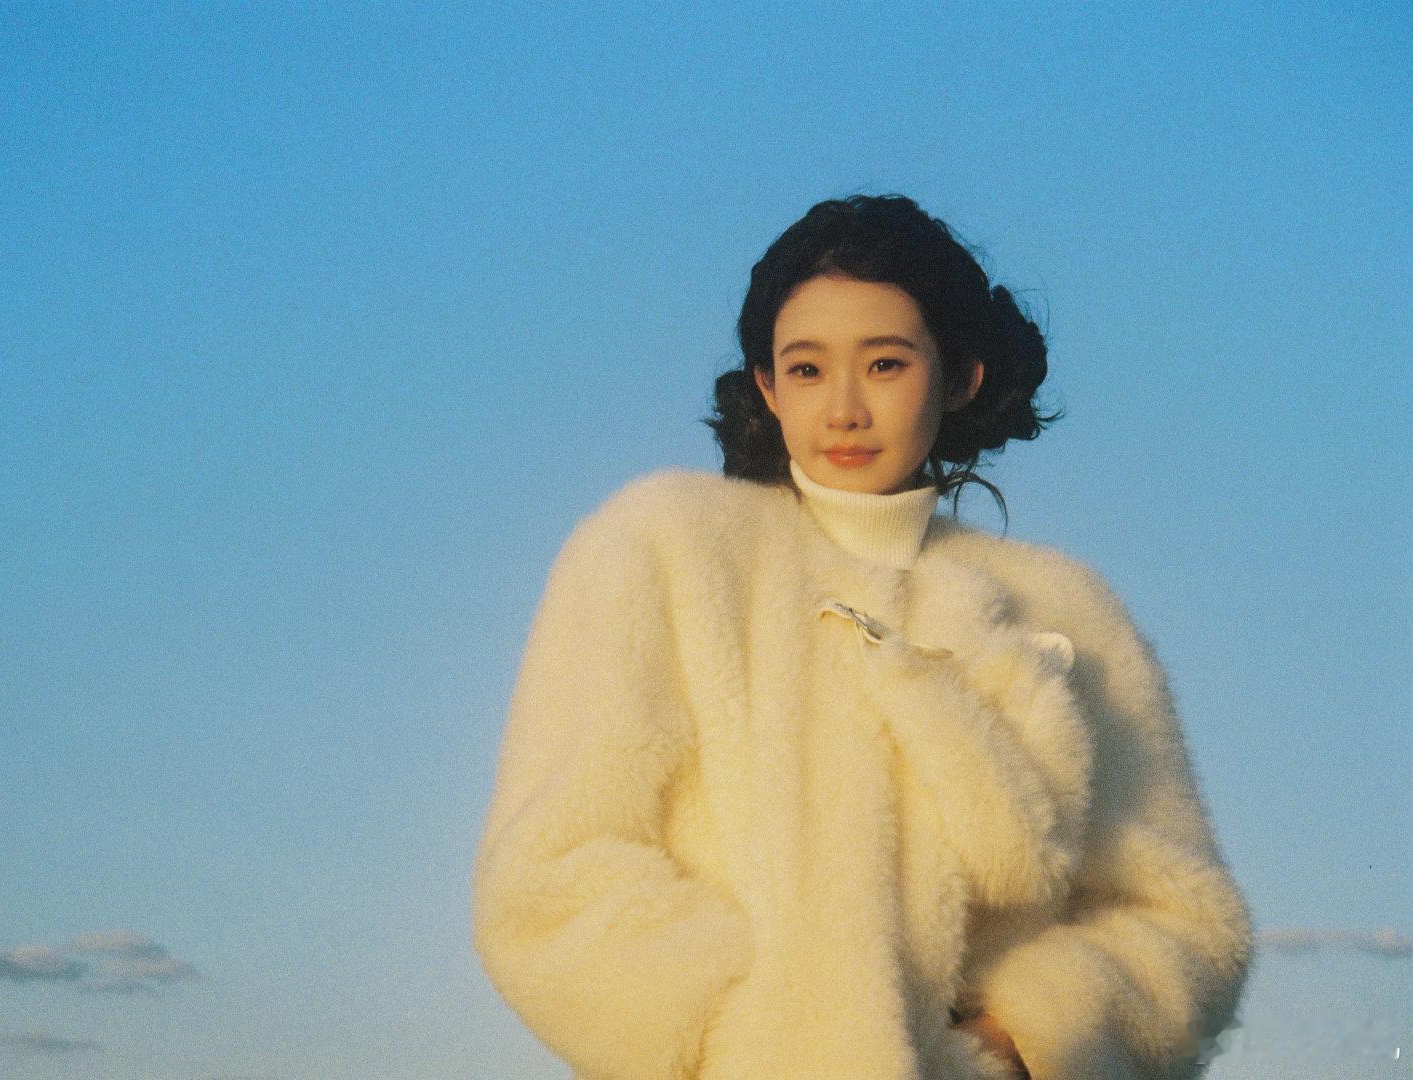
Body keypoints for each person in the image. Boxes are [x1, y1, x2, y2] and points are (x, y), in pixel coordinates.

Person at [470, 194, 1252, 1079]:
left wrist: (1020, 1043)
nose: (843, 409)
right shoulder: (664, 549)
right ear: (767, 387)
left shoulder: (1062, 609)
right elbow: (550, 878)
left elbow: (1185, 920)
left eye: (885, 363)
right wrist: (754, 1037)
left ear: (961, 377)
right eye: (806, 369)